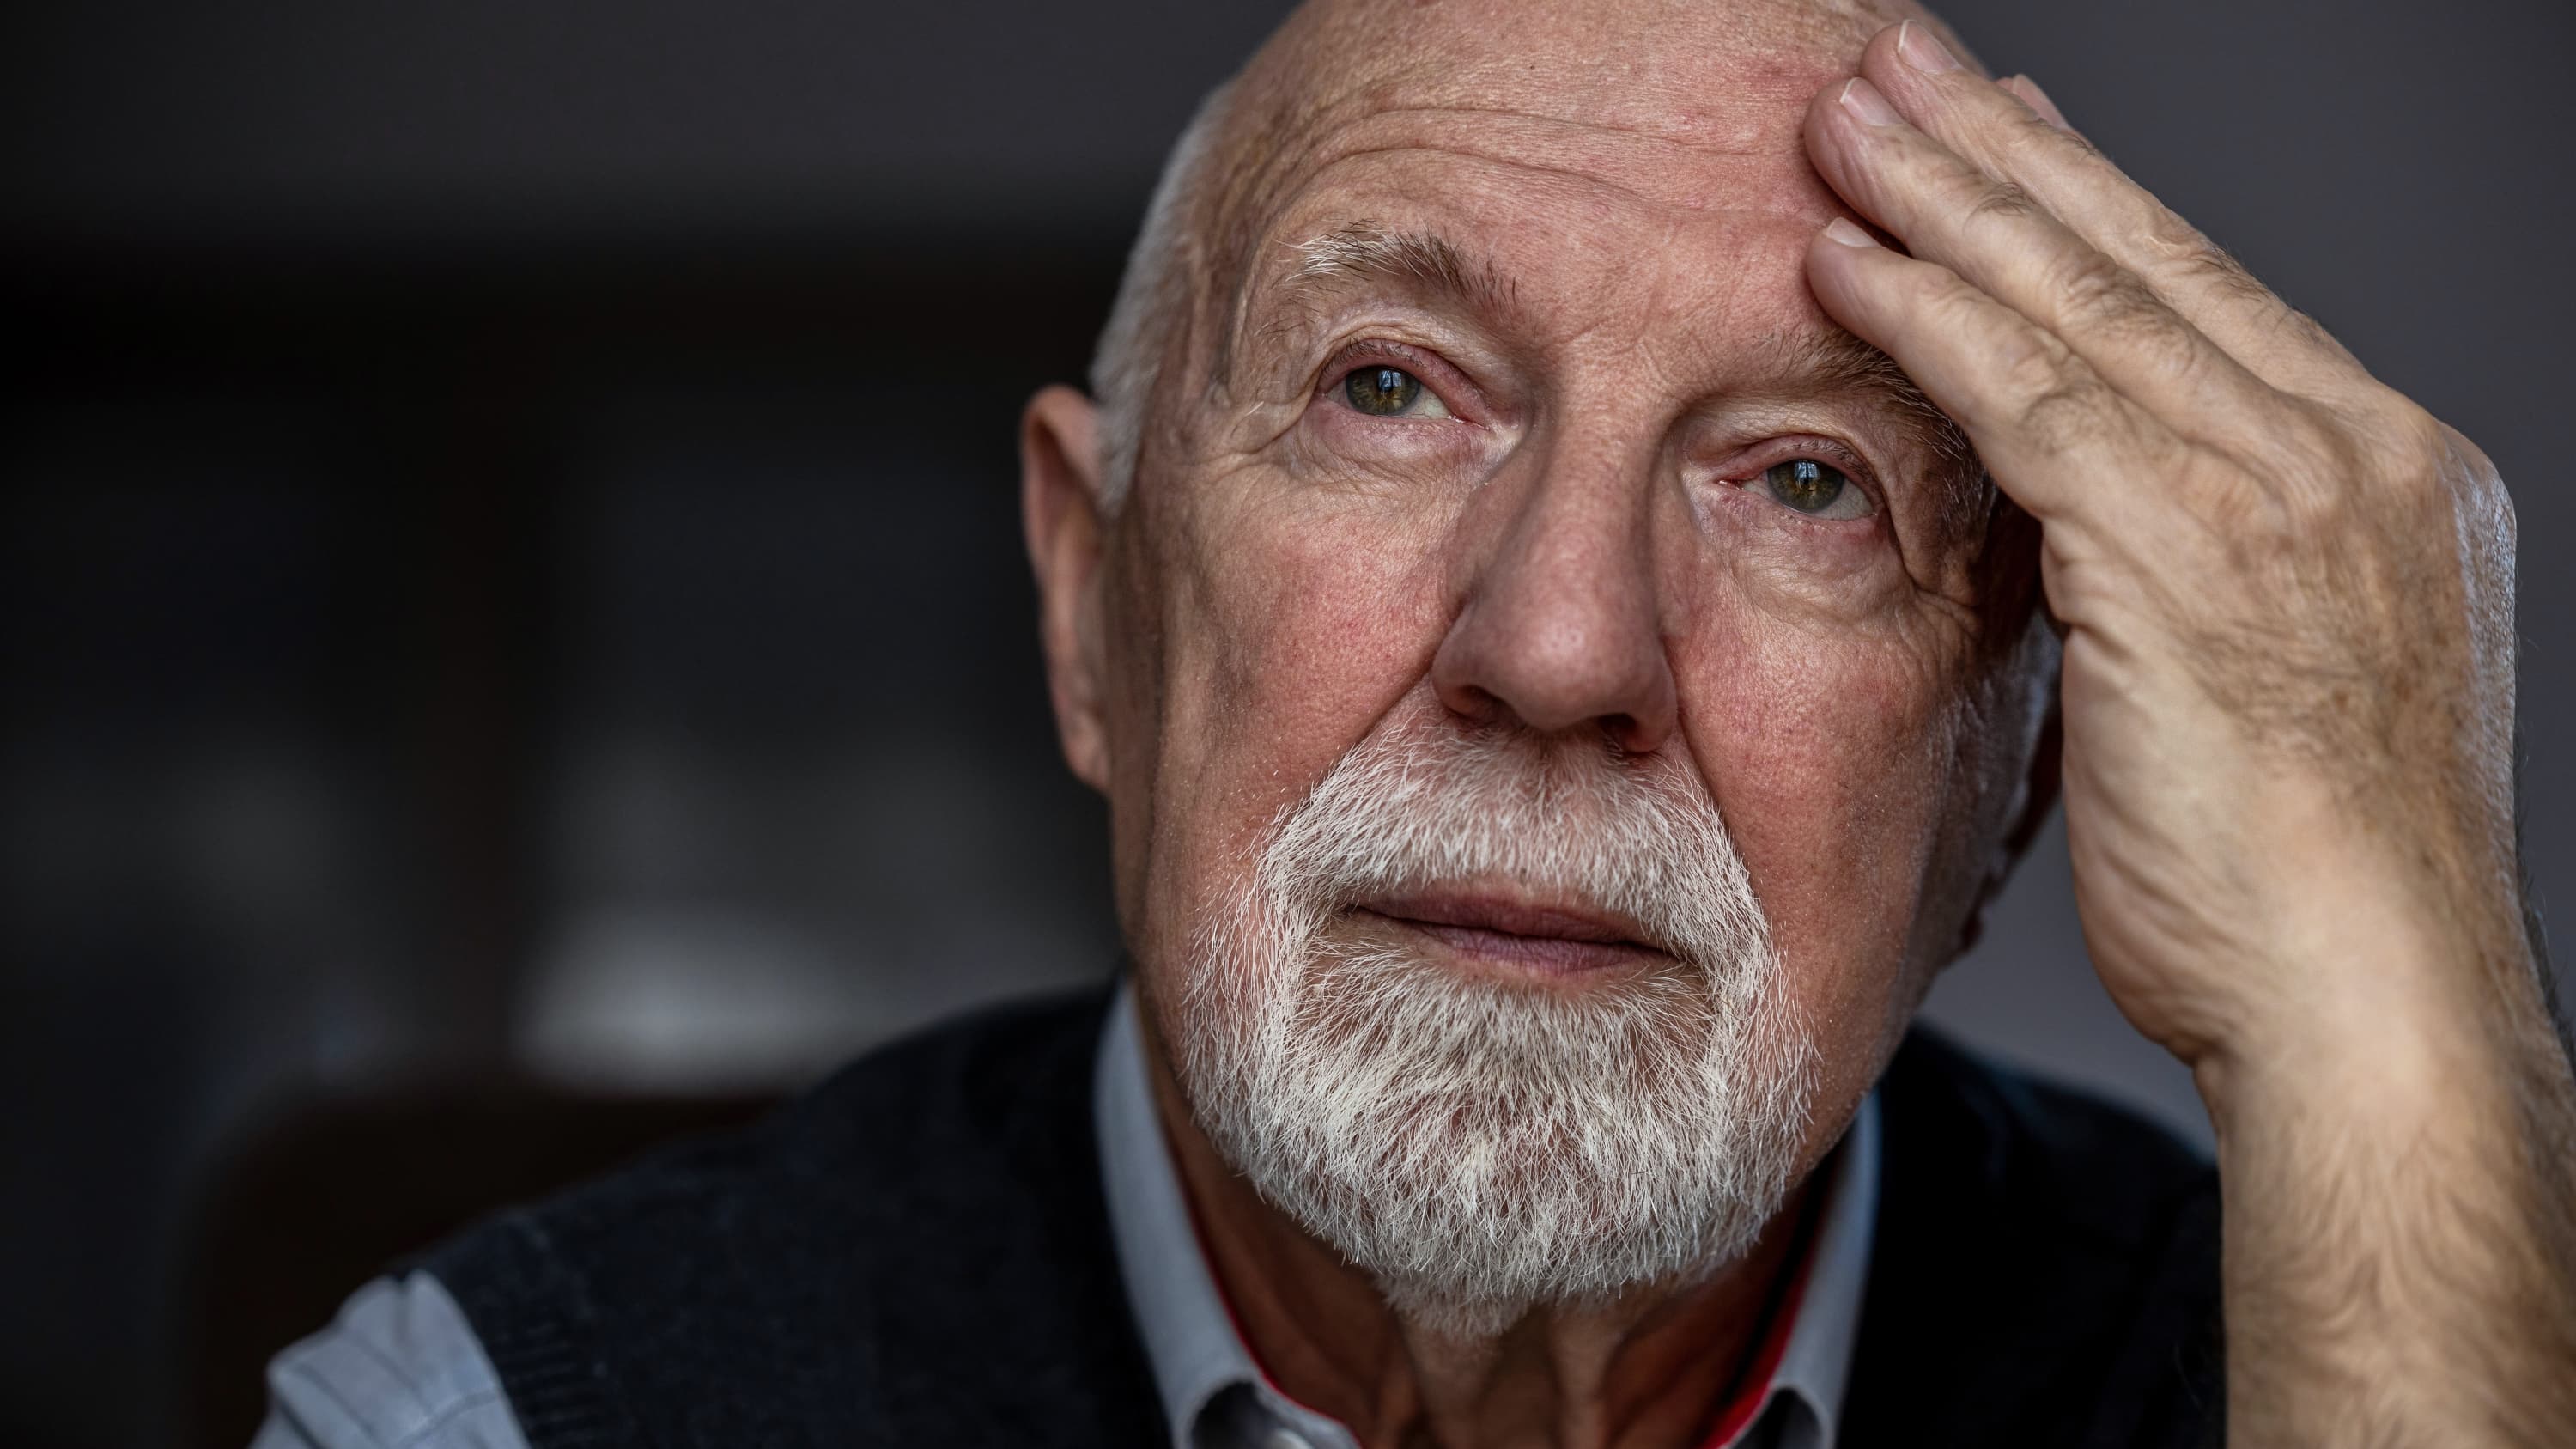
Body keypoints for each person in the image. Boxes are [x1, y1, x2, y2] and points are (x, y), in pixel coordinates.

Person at [252, 0, 2576, 1445]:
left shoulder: (2391, 1369)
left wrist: (2397, 1026)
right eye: (1388, 388)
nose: (1564, 648)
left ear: (2012, 779)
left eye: (1803, 480)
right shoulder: (499, 1420)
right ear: (1094, 605)